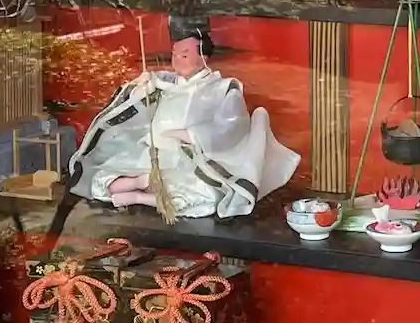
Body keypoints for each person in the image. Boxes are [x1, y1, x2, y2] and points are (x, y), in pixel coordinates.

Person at [68, 15, 299, 220]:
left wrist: (190, 134)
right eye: (174, 55)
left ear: (204, 56)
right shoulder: (163, 83)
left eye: (185, 55)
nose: (178, 60)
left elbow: (231, 126)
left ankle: (140, 197)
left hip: (188, 161)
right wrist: (140, 88)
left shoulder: (223, 88)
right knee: (101, 180)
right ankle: (139, 184)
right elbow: (136, 105)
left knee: (205, 196)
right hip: (151, 155)